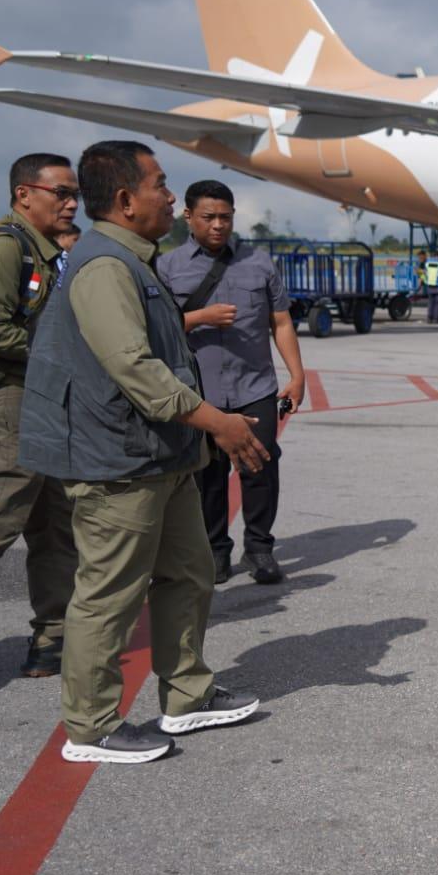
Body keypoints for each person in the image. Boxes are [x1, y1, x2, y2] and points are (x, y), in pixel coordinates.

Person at [19, 141, 267, 764]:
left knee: (189, 572)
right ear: (127, 199)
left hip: (161, 455)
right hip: (120, 462)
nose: (170, 196)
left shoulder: (133, 258)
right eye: (160, 183)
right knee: (110, 594)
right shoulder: (105, 266)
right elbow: (134, 368)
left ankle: (187, 694)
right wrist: (218, 422)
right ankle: (91, 727)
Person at [161, 180, 305, 585]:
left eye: (225, 217)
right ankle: (215, 550)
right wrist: (199, 318)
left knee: (261, 466)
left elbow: (281, 322)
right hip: (199, 389)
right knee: (207, 474)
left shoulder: (258, 263)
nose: (218, 225)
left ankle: (259, 548)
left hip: (254, 385)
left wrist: (297, 375)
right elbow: (157, 329)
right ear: (188, 216)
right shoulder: (168, 267)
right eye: (209, 217)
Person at [0, 153, 80, 677]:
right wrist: (57, 355)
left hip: (44, 399)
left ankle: (53, 637)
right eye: (61, 193)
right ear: (24, 194)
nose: (71, 204)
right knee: (3, 512)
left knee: (54, 526)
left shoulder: (47, 253)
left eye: (75, 195)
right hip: (15, 398)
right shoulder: (8, 247)